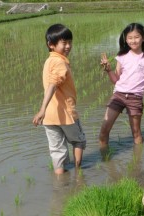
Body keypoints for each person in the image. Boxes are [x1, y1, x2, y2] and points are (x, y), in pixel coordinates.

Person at [33, 24, 86, 175]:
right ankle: (78, 175)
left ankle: (60, 181)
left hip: (49, 117)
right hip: (65, 114)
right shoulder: (59, 62)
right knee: (78, 141)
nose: (68, 46)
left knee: (57, 150)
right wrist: (42, 108)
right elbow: (53, 84)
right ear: (51, 45)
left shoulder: (49, 61)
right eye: (64, 43)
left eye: (70, 42)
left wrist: (44, 111)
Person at [99, 23, 144, 148]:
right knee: (104, 130)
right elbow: (116, 80)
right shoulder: (121, 57)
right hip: (118, 95)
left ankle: (138, 163)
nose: (133, 40)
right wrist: (108, 70)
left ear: (143, 38)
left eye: (136, 37)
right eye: (130, 38)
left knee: (136, 133)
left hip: (135, 98)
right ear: (125, 40)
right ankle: (104, 159)